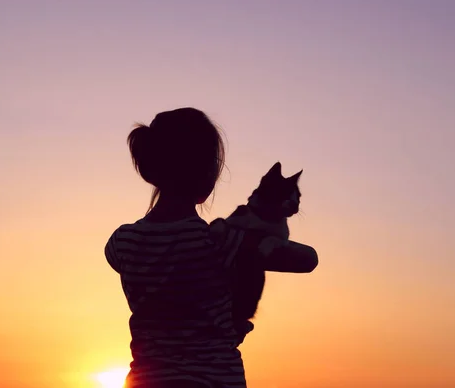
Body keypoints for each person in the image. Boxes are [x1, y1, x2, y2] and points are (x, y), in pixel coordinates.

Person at [104, 108, 318, 388]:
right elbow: (308, 259)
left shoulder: (122, 242)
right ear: (207, 175)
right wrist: (253, 241)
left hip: (147, 380)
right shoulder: (220, 241)